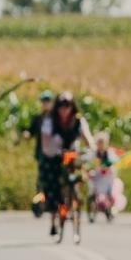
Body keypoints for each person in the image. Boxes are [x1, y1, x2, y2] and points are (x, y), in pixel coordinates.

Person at [39, 91, 95, 236]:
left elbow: (88, 140)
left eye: (67, 106)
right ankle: (53, 219)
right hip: (53, 155)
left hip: (72, 155)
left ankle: (75, 200)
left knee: (79, 176)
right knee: (52, 186)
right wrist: (55, 152)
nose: (64, 110)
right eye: (61, 107)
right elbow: (46, 142)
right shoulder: (50, 121)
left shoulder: (78, 121)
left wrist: (89, 152)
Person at [25, 89, 54, 216]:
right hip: (42, 153)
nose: (45, 104)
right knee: (42, 178)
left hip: (54, 153)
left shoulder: (56, 119)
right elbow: (31, 131)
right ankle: (41, 202)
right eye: (43, 101)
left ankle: (52, 201)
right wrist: (26, 134)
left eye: (47, 101)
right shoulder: (38, 119)